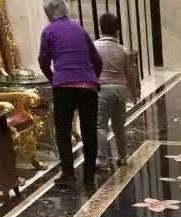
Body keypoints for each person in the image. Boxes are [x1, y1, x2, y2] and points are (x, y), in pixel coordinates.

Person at [38, 0, 102, 187]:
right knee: (89, 132)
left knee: (63, 131)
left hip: (64, 87)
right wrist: (92, 78)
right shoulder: (80, 30)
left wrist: (54, 79)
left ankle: (68, 174)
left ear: (48, 14)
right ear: (65, 10)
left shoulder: (49, 31)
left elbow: (43, 61)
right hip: (88, 87)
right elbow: (97, 60)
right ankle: (89, 176)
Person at [94, 12, 138, 170]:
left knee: (100, 126)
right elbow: (130, 73)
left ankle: (102, 159)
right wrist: (134, 92)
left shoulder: (94, 47)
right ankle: (123, 156)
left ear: (100, 28)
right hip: (120, 89)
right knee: (119, 126)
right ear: (117, 30)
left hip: (102, 89)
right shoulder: (123, 50)